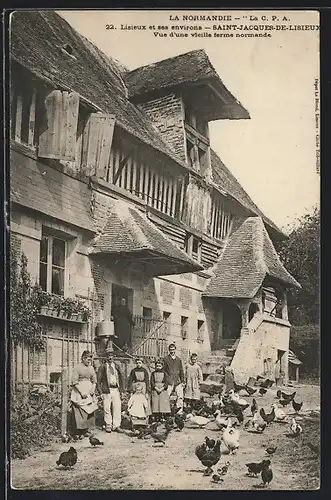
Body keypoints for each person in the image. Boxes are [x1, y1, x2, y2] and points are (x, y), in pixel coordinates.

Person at [70, 350, 98, 438]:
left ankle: (88, 430)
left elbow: (94, 380)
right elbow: (74, 381)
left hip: (89, 389)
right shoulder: (77, 367)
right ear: (83, 358)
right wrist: (81, 392)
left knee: (90, 409)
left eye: (90, 360)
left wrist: (93, 389)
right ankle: (80, 430)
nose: (89, 362)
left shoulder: (91, 368)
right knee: (80, 410)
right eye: (87, 360)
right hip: (80, 389)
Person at [97, 348, 124, 433]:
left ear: (114, 357)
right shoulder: (102, 367)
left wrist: (122, 391)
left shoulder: (116, 366)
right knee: (107, 408)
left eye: (112, 355)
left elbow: (121, 378)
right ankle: (108, 425)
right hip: (106, 390)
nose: (110, 357)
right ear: (106, 357)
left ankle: (116, 425)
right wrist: (100, 392)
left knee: (117, 407)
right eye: (108, 355)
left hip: (116, 389)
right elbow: (98, 381)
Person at [163, 344, 185, 413]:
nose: (172, 351)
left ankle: (179, 412)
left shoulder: (178, 360)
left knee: (180, 396)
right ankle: (166, 411)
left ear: (175, 350)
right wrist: (166, 379)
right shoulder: (165, 359)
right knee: (166, 396)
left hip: (177, 380)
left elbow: (181, 371)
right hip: (169, 381)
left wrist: (183, 381)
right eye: (170, 350)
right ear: (169, 350)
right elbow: (163, 370)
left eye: (173, 349)